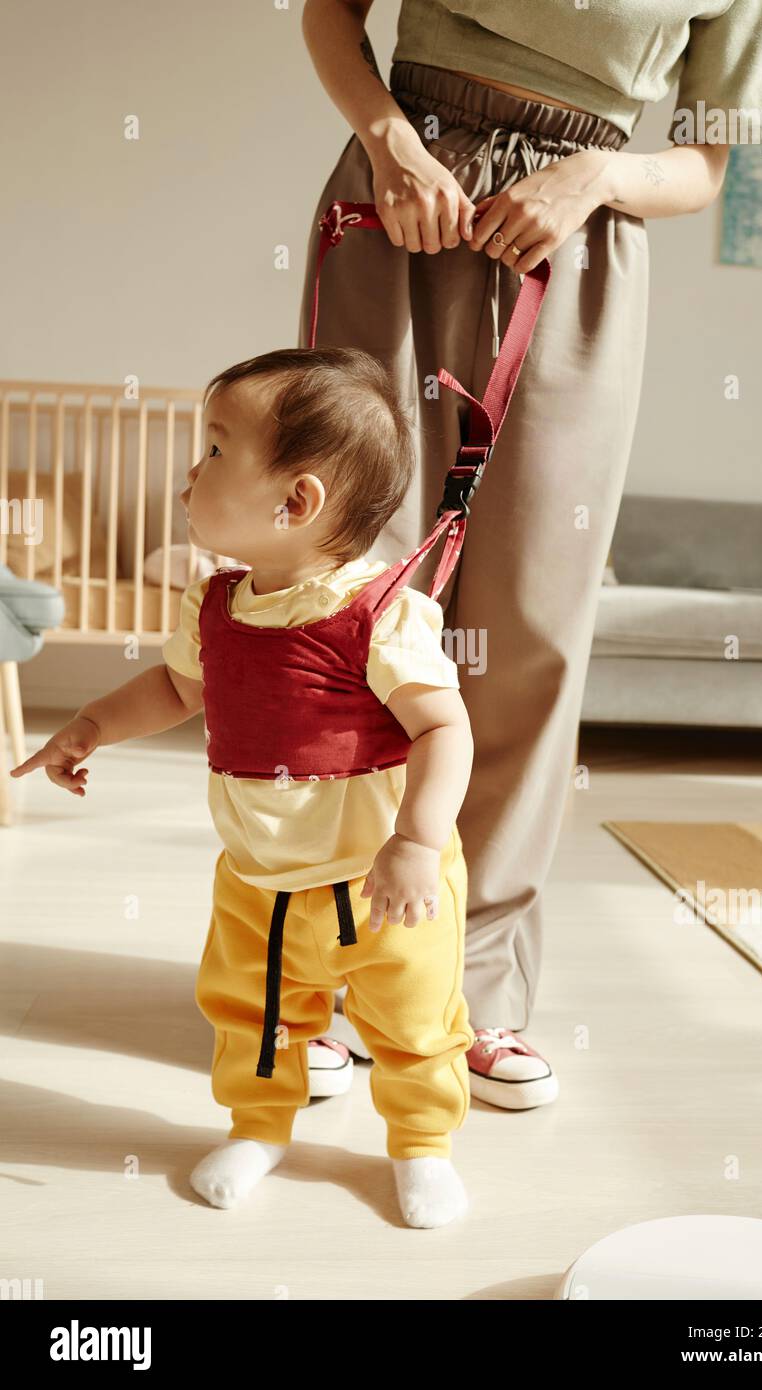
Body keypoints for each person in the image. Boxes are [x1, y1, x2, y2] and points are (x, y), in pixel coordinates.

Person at [299, 0, 762, 1109]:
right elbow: (329, 11)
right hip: (397, 202)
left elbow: (703, 167)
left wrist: (596, 180)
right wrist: (391, 142)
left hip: (573, 248)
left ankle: (470, 988)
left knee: (527, 621)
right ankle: (323, 969)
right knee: (356, 591)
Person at [12, 348, 478, 1227]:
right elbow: (178, 690)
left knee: (413, 1023)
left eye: (217, 449)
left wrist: (416, 842)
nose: (193, 470)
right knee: (254, 1019)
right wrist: (91, 725)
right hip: (259, 884)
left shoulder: (380, 615)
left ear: (295, 501)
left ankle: (420, 1144)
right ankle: (262, 1126)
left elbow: (443, 727)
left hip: (381, 883)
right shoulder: (215, 604)